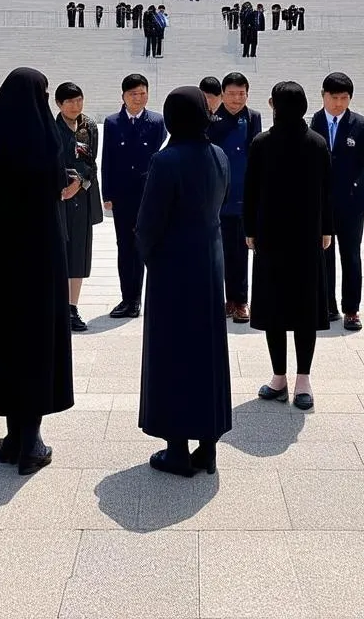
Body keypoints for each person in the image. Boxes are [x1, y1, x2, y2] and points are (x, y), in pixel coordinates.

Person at [0, 69, 77, 473]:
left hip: (4, 250)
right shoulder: (43, 134)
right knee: (38, 336)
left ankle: (13, 433)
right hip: (42, 250)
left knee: (7, 335)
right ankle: (31, 439)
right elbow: (56, 183)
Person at [137, 87, 232, 476]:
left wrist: (148, 255)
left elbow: (148, 224)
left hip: (174, 269)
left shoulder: (166, 160)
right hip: (209, 264)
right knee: (206, 353)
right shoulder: (219, 155)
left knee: (172, 353)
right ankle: (207, 446)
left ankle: (177, 447)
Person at [244, 81, 333, 411]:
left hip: (275, 237)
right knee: (300, 308)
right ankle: (294, 379)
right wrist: (326, 229)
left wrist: (250, 229)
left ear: (274, 105)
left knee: (277, 307)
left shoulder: (265, 143)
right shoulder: (315, 142)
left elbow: (249, 191)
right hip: (304, 237)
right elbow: (328, 191)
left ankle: (287, 377)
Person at [101, 74, 167, 318]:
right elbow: (107, 159)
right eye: (132, 94)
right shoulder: (112, 122)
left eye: (142, 93)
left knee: (145, 245)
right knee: (124, 247)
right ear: (123, 97)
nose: (138, 98)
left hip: (148, 195)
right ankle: (127, 297)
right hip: (122, 195)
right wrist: (106, 192)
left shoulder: (158, 121)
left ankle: (140, 299)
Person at [311, 72, 364, 330]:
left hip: (351, 202)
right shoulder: (313, 123)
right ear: (323, 95)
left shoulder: (361, 124)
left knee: (351, 254)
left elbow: (363, 164)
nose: (338, 103)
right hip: (322, 202)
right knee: (324, 254)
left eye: (344, 98)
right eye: (333, 97)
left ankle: (351, 308)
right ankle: (327, 305)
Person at [209, 73, 262, 323]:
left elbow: (257, 155)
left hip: (243, 195)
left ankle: (241, 300)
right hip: (217, 197)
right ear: (222, 94)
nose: (236, 99)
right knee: (219, 251)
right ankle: (223, 299)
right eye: (231, 94)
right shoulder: (212, 118)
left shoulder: (253, 118)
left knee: (241, 252)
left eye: (241, 94)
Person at [55, 82, 104, 333]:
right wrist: (63, 185)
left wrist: (80, 184)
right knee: (59, 250)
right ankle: (57, 304)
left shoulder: (89, 127)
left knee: (79, 252)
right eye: (70, 102)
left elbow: (90, 162)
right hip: (58, 197)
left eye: (79, 100)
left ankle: (72, 306)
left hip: (82, 196)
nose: (76, 106)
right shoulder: (52, 128)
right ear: (59, 105)